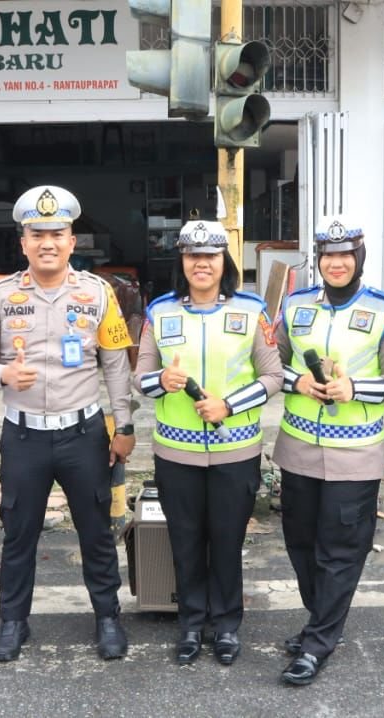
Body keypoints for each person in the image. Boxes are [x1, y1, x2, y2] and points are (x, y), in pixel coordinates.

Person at [0, 185, 136, 662]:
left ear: (71, 240)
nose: (47, 242)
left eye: (57, 233)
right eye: (37, 234)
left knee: (96, 533)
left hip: (84, 435)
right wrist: (2, 374)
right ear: (22, 242)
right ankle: (13, 623)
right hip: (24, 437)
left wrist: (123, 427)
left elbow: (116, 364)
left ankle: (107, 618)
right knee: (19, 534)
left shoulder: (99, 293)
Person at [132, 220, 282, 666]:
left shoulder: (252, 312)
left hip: (236, 451)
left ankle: (228, 625)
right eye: (193, 255)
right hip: (176, 453)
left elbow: (273, 376)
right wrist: (163, 379)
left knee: (227, 540)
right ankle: (192, 624)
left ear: (224, 262)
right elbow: (141, 378)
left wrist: (229, 405)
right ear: (182, 261)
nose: (202, 263)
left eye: (211, 255)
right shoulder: (159, 312)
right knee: (185, 540)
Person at [271, 215, 384, 685]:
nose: (336, 264)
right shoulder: (294, 306)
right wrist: (300, 381)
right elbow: (272, 366)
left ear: (358, 259)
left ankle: (318, 643)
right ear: (319, 260)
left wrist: (355, 388)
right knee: (301, 545)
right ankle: (320, 622)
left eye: (344, 256)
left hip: (354, 456)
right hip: (298, 450)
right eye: (328, 256)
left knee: (340, 551)